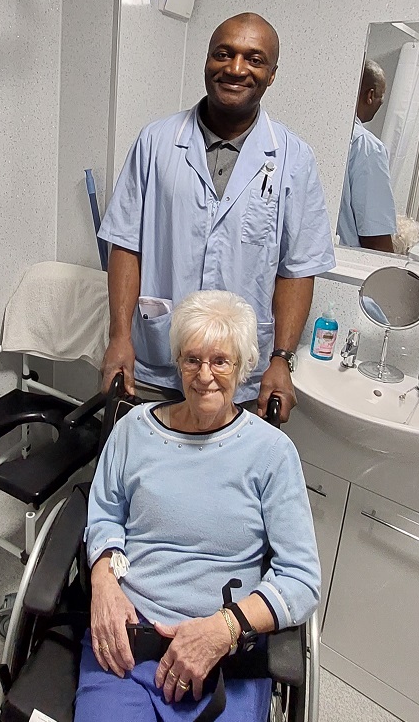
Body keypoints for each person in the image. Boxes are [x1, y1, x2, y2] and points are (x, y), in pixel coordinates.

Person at [78, 290, 321, 721]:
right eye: (192, 359)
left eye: (220, 361)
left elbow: (301, 580)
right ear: (178, 363)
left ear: (243, 368)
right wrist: (103, 584)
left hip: (224, 660)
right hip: (126, 644)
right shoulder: (133, 430)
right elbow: (104, 515)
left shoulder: (272, 453)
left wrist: (223, 629)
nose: (204, 375)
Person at [97, 13, 336, 421]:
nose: (236, 68)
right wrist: (120, 336)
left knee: (220, 480)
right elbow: (126, 244)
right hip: (158, 361)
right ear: (206, 61)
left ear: (272, 74)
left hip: (238, 370)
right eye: (223, 54)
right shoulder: (155, 142)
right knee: (144, 471)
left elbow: (297, 270)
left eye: (254, 59)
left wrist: (282, 357)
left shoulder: (295, 159)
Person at [337, 59, 398, 252]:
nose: (381, 103)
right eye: (381, 97)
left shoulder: (326, 136)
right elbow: (376, 239)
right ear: (370, 95)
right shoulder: (367, 147)